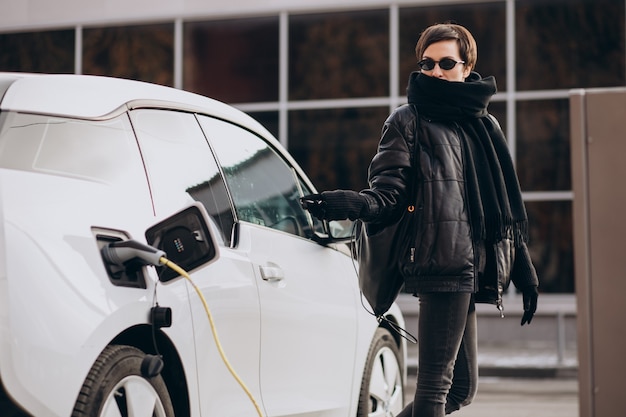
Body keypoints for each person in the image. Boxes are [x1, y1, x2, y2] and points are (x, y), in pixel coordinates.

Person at [300, 23, 539, 416]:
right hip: (441, 264)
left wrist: (523, 270)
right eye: (427, 63)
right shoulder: (408, 121)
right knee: (435, 389)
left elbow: (504, 209)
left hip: (473, 267)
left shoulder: (485, 124)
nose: (435, 71)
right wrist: (350, 203)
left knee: (460, 389)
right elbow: (389, 195)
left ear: (467, 66)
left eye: (446, 62)